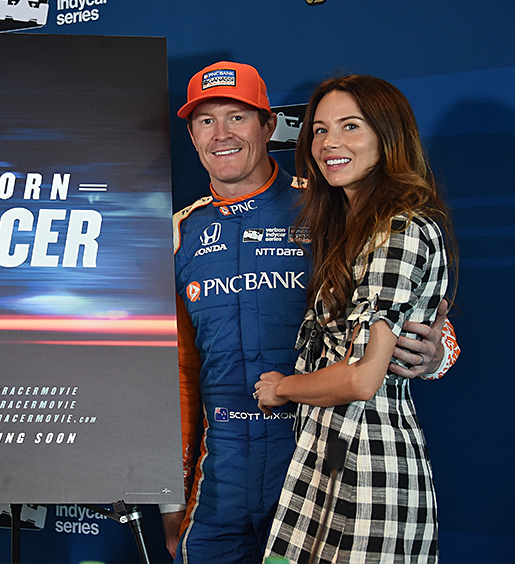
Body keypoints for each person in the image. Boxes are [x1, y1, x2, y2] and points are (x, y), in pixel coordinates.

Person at [163, 62, 457, 564]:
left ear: (269, 125)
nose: (222, 134)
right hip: (222, 466)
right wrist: (171, 493)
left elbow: (420, 313)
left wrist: (437, 355)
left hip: (313, 454)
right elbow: (181, 375)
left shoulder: (331, 206)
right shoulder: (179, 232)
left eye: (237, 116)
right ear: (191, 134)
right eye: (206, 121)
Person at [256, 75, 456, 562]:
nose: (331, 143)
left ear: (388, 136)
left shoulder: (401, 228)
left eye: (351, 126)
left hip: (369, 465)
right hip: (324, 452)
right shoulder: (348, 226)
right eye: (320, 130)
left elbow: (363, 378)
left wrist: (281, 388)